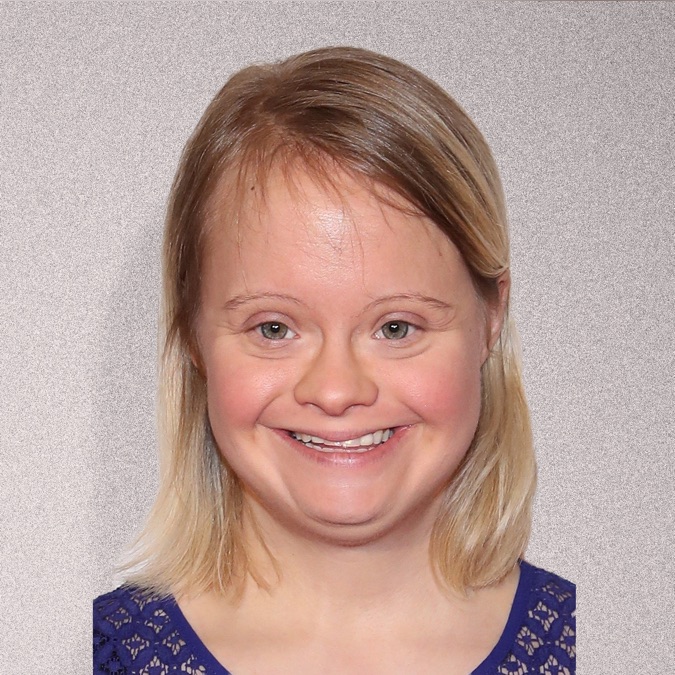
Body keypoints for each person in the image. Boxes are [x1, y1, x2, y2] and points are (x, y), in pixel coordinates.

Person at [93, 46, 575, 674]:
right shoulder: (104, 653)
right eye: (273, 328)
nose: (337, 390)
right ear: (191, 334)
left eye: (396, 327)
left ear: (490, 319)